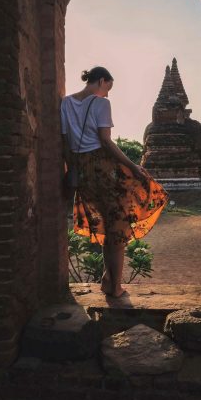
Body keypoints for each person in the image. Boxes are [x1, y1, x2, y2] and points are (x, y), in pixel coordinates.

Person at [60, 66, 169, 298]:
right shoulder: (101, 103)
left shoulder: (66, 103)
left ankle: (107, 279)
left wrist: (73, 170)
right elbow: (106, 141)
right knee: (118, 229)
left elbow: (65, 142)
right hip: (104, 168)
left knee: (109, 226)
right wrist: (133, 167)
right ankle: (115, 287)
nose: (107, 94)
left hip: (83, 171)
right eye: (108, 88)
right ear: (101, 81)